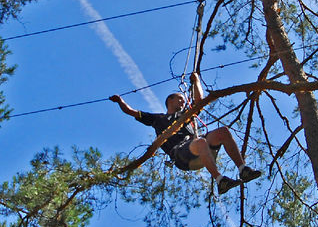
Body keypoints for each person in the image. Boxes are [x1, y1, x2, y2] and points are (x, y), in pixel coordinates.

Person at [110, 74, 261, 194]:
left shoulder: (186, 115)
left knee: (223, 132)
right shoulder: (158, 119)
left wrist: (196, 81)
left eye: (183, 101)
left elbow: (199, 100)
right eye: (180, 99)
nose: (183, 103)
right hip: (180, 155)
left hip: (197, 149)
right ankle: (221, 181)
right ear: (170, 100)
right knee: (200, 142)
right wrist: (120, 101)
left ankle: (243, 170)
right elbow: (131, 112)